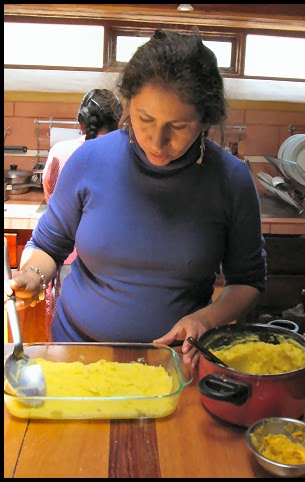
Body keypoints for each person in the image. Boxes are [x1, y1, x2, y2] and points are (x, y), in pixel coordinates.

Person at [4, 29, 266, 370]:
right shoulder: (89, 161)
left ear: (205, 120)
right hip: (77, 355)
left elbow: (247, 282)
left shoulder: (230, 179)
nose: (158, 141)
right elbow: (48, 246)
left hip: (172, 362)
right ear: (128, 105)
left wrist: (205, 319)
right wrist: (33, 276)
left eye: (180, 126)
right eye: (145, 119)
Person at [42, 89, 123, 338]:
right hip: (112, 263)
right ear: (118, 122)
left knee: (69, 336)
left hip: (68, 259)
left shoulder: (61, 152)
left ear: (80, 122)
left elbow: (51, 193)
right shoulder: (127, 155)